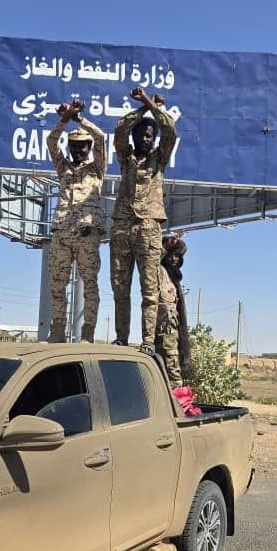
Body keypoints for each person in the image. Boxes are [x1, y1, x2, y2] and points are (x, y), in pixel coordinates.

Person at [110, 86, 177, 353]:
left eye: (151, 136)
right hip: (122, 227)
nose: (147, 139)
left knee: (150, 291)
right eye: (143, 135)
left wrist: (152, 105)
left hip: (149, 228)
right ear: (136, 136)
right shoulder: (125, 157)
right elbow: (119, 130)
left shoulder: (159, 158)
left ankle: (147, 340)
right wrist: (143, 109)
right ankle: (121, 337)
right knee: (119, 288)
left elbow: (170, 130)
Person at [45, 99, 107, 343]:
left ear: (89, 148)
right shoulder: (64, 169)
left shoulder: (97, 168)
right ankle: (58, 328)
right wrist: (65, 119)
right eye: (74, 146)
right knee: (57, 284)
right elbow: (51, 141)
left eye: (83, 146)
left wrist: (79, 119)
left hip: (86, 234)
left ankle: (88, 332)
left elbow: (101, 137)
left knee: (90, 284)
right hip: (62, 233)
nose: (79, 150)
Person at [156, 233, 193, 388]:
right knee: (171, 378)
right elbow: (152, 258)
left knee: (173, 377)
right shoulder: (159, 272)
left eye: (178, 256)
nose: (174, 259)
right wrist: (166, 245)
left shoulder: (175, 279)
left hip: (172, 336)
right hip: (162, 336)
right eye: (171, 255)